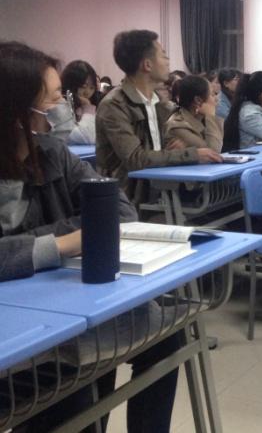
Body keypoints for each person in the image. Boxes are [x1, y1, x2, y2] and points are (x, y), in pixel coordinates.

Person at [0, 41, 179, 433]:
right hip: (17, 326)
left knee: (168, 335)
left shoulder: (52, 153)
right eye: (51, 101)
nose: (61, 110)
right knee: (75, 389)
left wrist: (36, 244)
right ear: (14, 111)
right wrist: (62, 243)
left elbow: (120, 211)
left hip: (57, 302)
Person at [95, 30, 222, 206]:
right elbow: (136, 159)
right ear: (147, 65)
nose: (168, 60)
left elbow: (156, 152)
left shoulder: (159, 103)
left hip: (157, 194)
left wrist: (170, 151)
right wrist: (187, 154)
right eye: (163, 55)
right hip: (125, 199)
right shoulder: (114, 106)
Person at [165, 75, 223, 152]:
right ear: (198, 100)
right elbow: (213, 152)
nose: (217, 99)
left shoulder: (202, 118)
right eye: (212, 95)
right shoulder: (177, 126)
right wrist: (211, 116)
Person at [60, 59, 101, 144]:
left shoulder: (96, 104)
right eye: (83, 87)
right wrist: (87, 107)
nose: (87, 92)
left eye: (92, 88)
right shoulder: (62, 105)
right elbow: (86, 137)